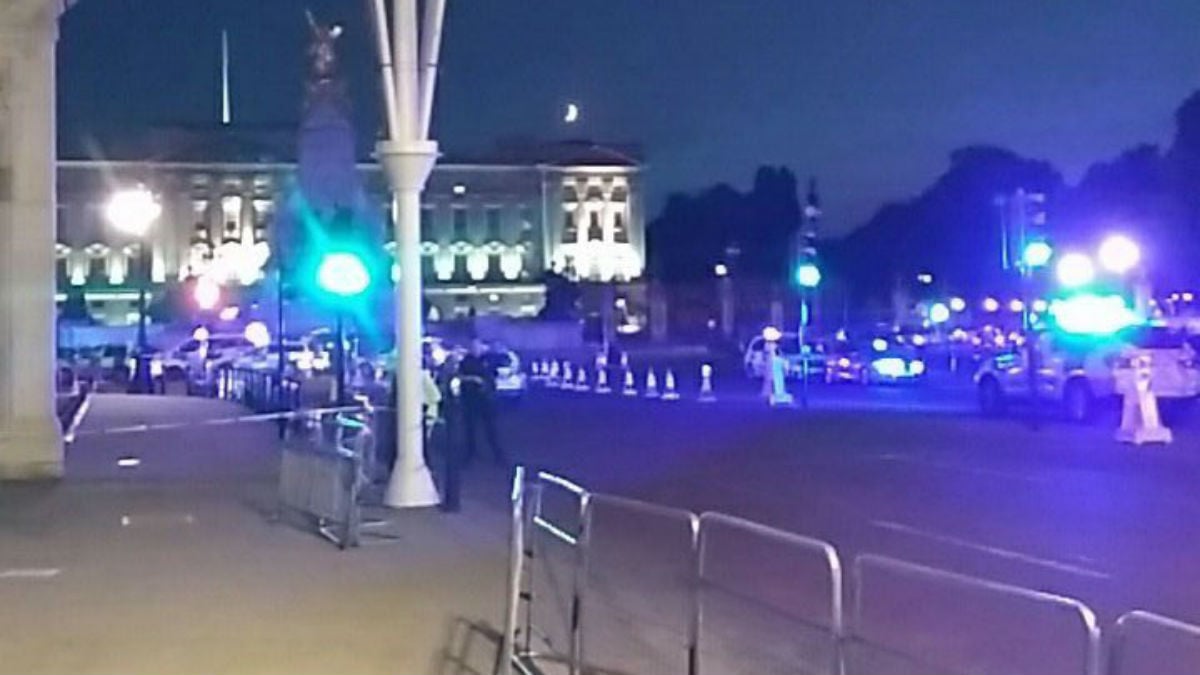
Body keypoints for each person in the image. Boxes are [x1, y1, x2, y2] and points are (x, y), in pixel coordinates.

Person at [456, 339, 507, 466]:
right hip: (470, 400)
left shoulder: (488, 360)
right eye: (473, 346)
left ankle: (498, 455)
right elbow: (460, 376)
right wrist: (474, 379)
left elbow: (494, 375)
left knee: (491, 429)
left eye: (478, 346)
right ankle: (470, 455)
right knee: (470, 430)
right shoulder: (466, 361)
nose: (476, 348)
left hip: (486, 400)